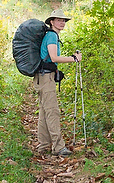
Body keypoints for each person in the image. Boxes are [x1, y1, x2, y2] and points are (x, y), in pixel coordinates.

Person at [34, 8, 82, 157]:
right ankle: (58, 147)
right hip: (45, 78)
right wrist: (73, 58)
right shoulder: (52, 36)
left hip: (41, 77)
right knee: (52, 112)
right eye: (59, 20)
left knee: (44, 112)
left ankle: (43, 146)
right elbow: (54, 57)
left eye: (63, 20)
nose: (62, 23)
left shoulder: (50, 35)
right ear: (52, 22)